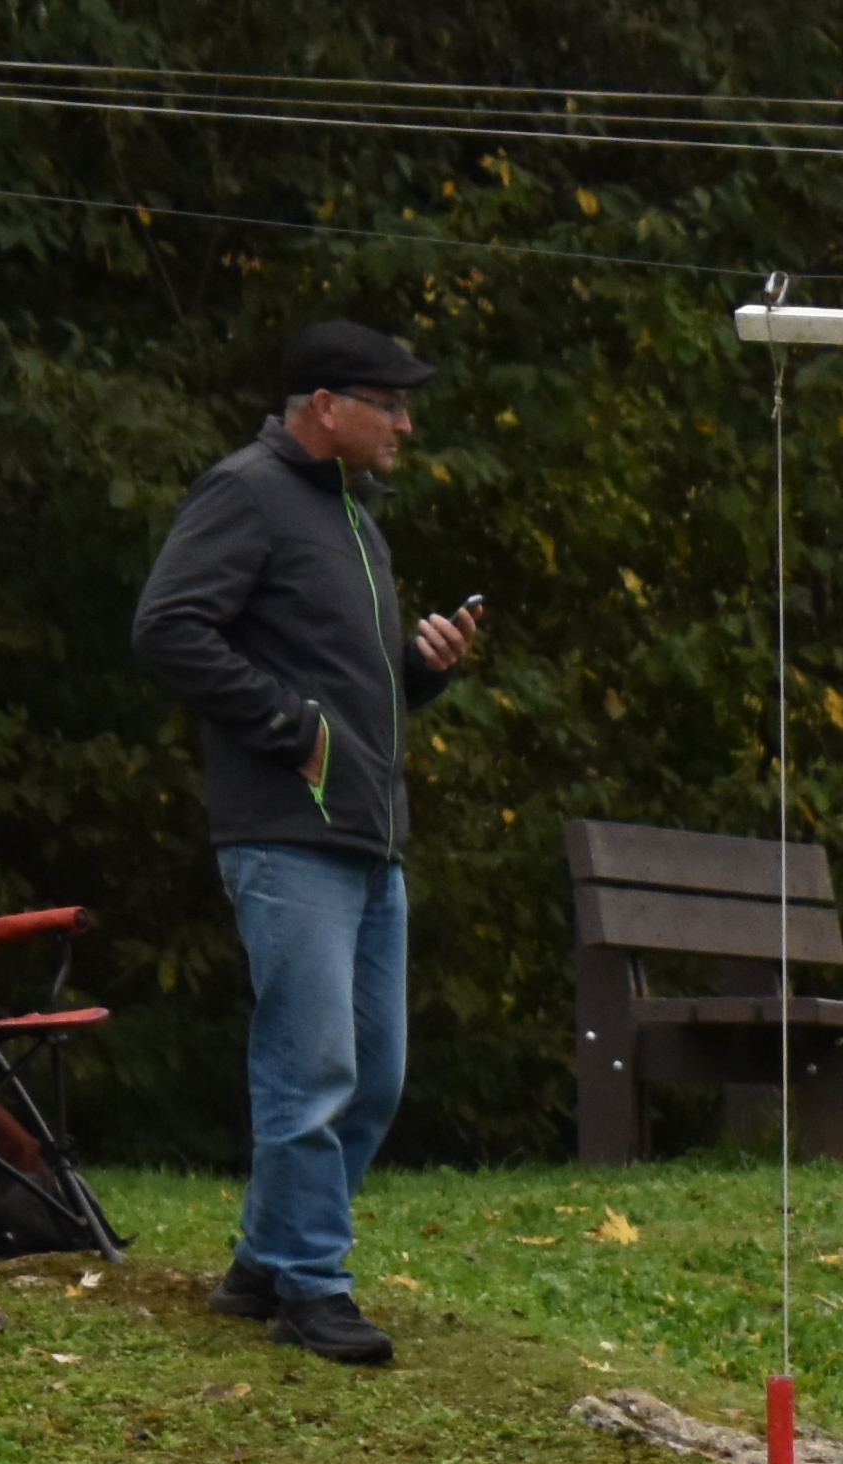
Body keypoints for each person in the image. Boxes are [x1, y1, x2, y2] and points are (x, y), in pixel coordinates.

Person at [130, 320, 489, 1368]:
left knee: (372, 1077)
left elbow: (353, 682)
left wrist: (422, 669)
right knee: (313, 1064)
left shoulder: (355, 522)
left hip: (370, 841)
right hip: (287, 833)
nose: (406, 423)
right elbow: (166, 628)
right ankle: (313, 1289)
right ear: (324, 405)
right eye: (390, 402)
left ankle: (262, 1261)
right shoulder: (246, 492)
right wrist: (291, 728)